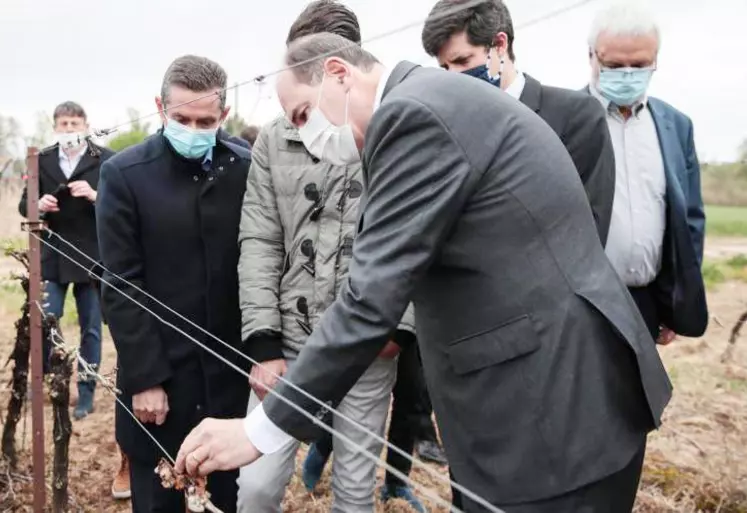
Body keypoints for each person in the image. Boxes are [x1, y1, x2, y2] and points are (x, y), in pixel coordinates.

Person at [176, 34, 674, 512]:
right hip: (551, 399)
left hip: (551, 410)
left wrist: (259, 429)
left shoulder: (412, 115)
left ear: (338, 73)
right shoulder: (432, 99)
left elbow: (370, 301)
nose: (306, 135)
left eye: (304, 114)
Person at [234, 2, 418, 511]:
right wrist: (265, 340)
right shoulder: (275, 137)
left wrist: (396, 328)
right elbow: (261, 238)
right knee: (256, 484)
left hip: (367, 343)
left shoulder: (392, 130)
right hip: (288, 345)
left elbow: (416, 237)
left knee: (355, 489)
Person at [96, 55, 251, 513]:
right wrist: (145, 377)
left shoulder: (244, 168)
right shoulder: (124, 175)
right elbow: (121, 283)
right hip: (158, 381)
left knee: (222, 497)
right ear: (159, 109)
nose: (193, 128)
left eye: (206, 121)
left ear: (224, 116)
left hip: (223, 375)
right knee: (158, 497)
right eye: (181, 118)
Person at [421, 0, 615, 246]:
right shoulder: (446, 130)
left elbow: (587, 233)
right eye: (445, 67)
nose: (453, 77)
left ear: (500, 44)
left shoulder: (576, 117)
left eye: (462, 61)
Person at [586, 2, 708, 343]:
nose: (627, 74)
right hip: (583, 304)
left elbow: (690, 220)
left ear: (656, 60)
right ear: (592, 56)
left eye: (639, 65)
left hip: (646, 301)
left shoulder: (676, 126)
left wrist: (674, 302)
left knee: (643, 397)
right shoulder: (564, 119)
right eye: (614, 65)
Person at [18, 101, 114, 420]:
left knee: (90, 328)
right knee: (47, 321)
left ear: (86, 124)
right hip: (54, 254)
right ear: (55, 127)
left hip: (91, 257)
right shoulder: (40, 159)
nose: (70, 130)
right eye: (64, 124)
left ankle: (85, 394)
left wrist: (96, 195)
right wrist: (39, 204)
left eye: (75, 124)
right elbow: (24, 206)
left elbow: (120, 205)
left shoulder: (106, 160)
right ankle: (48, 381)